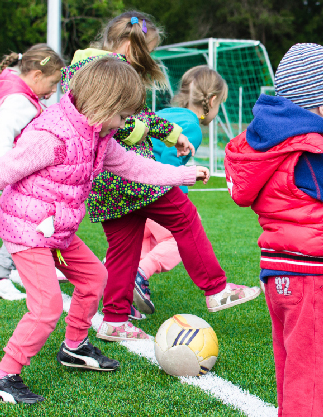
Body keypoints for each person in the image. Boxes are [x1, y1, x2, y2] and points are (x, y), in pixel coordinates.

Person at [0, 57, 210, 404]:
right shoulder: (51, 136)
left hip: (57, 231)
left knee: (95, 278)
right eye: (123, 116)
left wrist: (182, 174)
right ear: (103, 105)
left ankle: (74, 347)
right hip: (28, 231)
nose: (126, 124)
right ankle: (2, 378)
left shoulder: (98, 134)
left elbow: (132, 166)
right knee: (46, 306)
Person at [61, 11, 259, 344]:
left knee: (124, 248)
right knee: (184, 216)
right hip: (131, 175)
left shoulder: (83, 67)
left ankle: (114, 320)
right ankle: (216, 288)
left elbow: (138, 115)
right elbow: (117, 121)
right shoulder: (103, 71)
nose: (146, 61)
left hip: (105, 184)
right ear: (127, 45)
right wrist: (142, 133)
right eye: (145, 52)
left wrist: (172, 134)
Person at [224, 43, 323, 416]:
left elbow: (300, 204)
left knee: (294, 365)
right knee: (316, 372)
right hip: (307, 275)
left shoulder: (277, 142)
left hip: (280, 272)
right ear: (321, 106)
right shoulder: (307, 149)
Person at [130, 65, 228, 316]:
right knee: (179, 237)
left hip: (130, 189)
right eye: (220, 104)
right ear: (212, 100)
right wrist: (180, 201)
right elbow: (168, 168)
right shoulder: (191, 127)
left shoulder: (164, 113)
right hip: (153, 192)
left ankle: (123, 290)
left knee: (141, 241)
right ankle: (141, 273)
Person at [0, 44, 65, 301]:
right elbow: (3, 141)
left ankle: (10, 273)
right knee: (26, 224)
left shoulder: (21, 95)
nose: (52, 92)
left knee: (32, 222)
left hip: (19, 174)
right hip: (18, 176)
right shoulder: (19, 101)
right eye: (52, 84)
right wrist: (10, 172)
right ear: (36, 76)